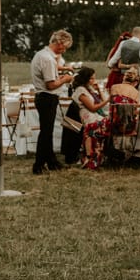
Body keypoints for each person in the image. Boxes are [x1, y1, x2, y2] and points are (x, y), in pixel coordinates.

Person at [29, 29, 74, 174]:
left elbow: (52, 69)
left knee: (47, 131)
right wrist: (66, 79)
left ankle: (52, 161)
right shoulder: (48, 59)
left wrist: (64, 68)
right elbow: (51, 84)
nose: (65, 50)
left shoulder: (43, 54)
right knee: (46, 133)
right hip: (47, 96)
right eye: (65, 47)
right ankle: (38, 164)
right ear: (59, 43)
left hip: (44, 97)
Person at [62, 67, 107, 168]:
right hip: (85, 117)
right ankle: (92, 155)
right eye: (91, 79)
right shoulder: (81, 90)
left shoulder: (89, 88)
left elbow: (101, 102)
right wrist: (108, 100)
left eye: (94, 78)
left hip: (91, 115)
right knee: (107, 124)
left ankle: (99, 154)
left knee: (108, 121)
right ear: (85, 79)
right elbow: (93, 108)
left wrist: (99, 90)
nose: (93, 81)